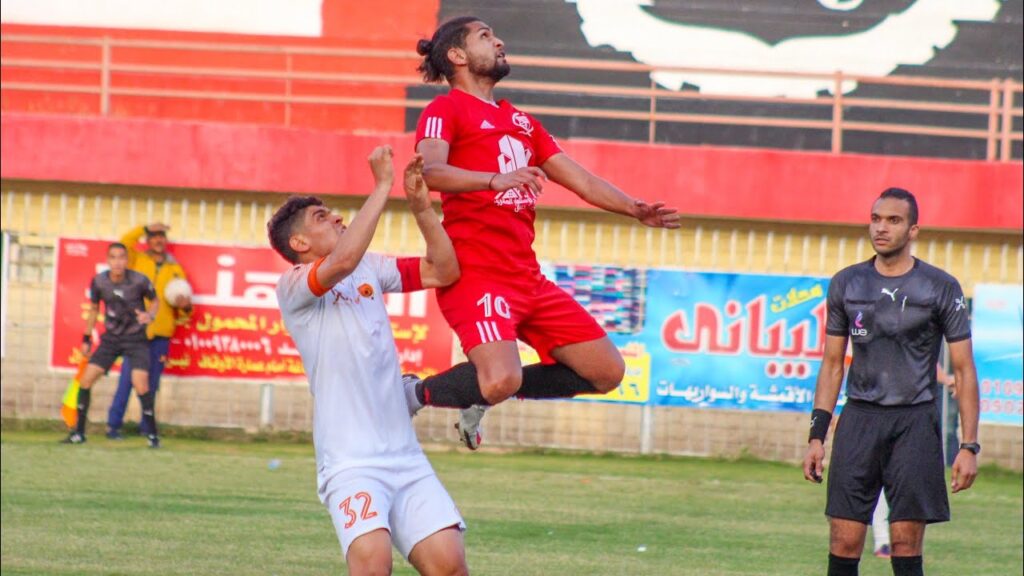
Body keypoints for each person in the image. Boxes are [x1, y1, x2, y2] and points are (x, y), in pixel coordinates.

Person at [412, 16, 682, 448]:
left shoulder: (522, 121)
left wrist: (633, 208)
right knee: (499, 378)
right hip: (476, 274)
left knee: (607, 372)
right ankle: (411, 394)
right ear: (456, 56)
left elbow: (583, 181)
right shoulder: (445, 110)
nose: (499, 41)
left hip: (527, 279)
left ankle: (482, 396)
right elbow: (430, 171)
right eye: (485, 36)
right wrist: (493, 180)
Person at [270, 146, 468, 576]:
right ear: (299, 243)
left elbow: (444, 271)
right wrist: (382, 186)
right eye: (322, 217)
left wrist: (421, 208)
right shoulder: (294, 285)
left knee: (450, 566)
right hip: (351, 463)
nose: (337, 218)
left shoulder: (370, 268)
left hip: (405, 457)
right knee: (374, 566)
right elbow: (342, 261)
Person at [802, 188, 981, 576]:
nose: (881, 228)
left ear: (913, 230)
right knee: (843, 540)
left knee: (904, 543)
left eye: (893, 220)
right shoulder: (847, 283)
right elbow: (832, 365)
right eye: (876, 219)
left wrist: (969, 445)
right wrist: (816, 436)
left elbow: (965, 369)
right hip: (859, 420)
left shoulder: (939, 287)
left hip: (915, 423)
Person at [65, 242, 161, 448]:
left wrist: (150, 315)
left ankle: (153, 436)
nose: (118, 262)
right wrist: (86, 338)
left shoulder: (139, 281)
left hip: (136, 339)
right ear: (108, 260)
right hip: (111, 339)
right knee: (86, 380)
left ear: (127, 260)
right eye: (113, 257)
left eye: (121, 257)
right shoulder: (100, 282)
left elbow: (155, 301)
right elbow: (93, 309)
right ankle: (78, 433)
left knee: (141, 384)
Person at [106, 223, 192, 439]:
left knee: (151, 384)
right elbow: (124, 242)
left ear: (165, 240)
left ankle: (147, 428)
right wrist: (144, 228)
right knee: (127, 380)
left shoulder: (176, 269)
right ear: (147, 240)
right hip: (135, 333)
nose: (158, 240)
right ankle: (113, 426)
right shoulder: (137, 260)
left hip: (160, 336)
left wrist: (186, 307)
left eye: (161, 236)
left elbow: (184, 311)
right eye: (153, 236)